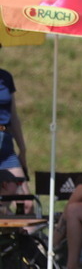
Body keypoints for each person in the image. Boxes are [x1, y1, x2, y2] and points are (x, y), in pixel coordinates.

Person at [0, 55, 31, 214]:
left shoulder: (5, 77)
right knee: (2, 206)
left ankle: (23, 237)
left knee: (26, 203)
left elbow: (13, 116)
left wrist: (22, 150)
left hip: (6, 142)